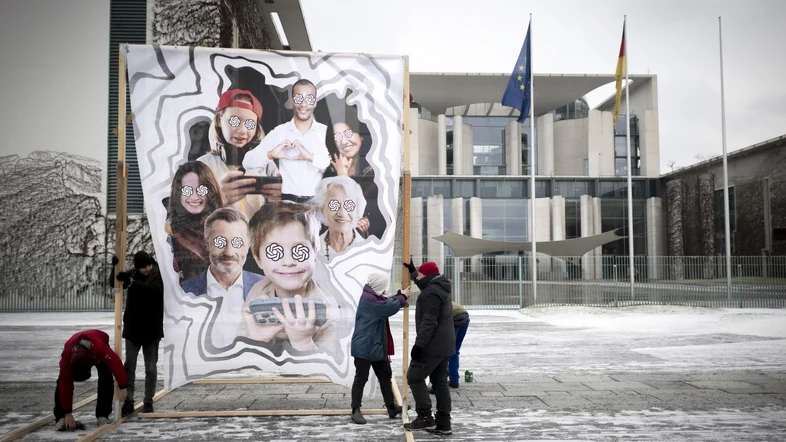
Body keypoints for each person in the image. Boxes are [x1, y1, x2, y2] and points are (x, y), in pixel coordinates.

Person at [238, 202, 339, 354]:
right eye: (275, 252)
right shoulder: (259, 292)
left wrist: (303, 342)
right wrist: (257, 341)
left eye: (300, 250)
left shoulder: (326, 311)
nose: (288, 262)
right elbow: (238, 361)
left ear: (315, 254)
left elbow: (331, 371)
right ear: (258, 259)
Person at [181, 208, 264, 348]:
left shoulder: (267, 289)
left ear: (248, 245)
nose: (229, 252)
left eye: (237, 242)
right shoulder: (184, 292)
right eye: (220, 242)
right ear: (207, 243)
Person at [242, 79, 330, 203]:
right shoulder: (280, 132)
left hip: (317, 206)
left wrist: (311, 157)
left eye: (309, 99)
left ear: (315, 102)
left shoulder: (325, 132)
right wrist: (270, 155)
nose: (304, 104)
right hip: (287, 207)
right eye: (299, 98)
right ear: (292, 100)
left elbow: (336, 167)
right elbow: (247, 162)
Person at [199, 89, 280, 218]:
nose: (242, 130)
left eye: (249, 124)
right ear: (219, 120)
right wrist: (216, 201)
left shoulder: (267, 165)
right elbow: (180, 219)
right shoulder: (201, 167)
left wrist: (282, 200)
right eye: (234, 121)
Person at [402, 261, 455, 435]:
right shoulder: (441, 287)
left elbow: (429, 322)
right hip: (444, 345)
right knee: (439, 383)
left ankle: (425, 417)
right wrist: (413, 271)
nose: (418, 278)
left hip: (432, 345)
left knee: (414, 377)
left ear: (428, 277)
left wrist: (419, 345)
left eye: (420, 275)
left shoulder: (431, 293)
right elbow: (425, 283)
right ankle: (444, 423)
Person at [349, 272, 409, 424]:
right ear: (378, 285)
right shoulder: (370, 300)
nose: (385, 288)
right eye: (384, 285)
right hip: (364, 346)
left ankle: (391, 407)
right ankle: (355, 409)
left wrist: (398, 295)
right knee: (361, 378)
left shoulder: (372, 296)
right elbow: (388, 307)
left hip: (376, 345)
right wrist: (402, 297)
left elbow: (385, 302)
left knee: (385, 376)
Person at [113, 251, 164, 416]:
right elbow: (114, 283)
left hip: (151, 330)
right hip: (133, 329)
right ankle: (129, 400)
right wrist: (113, 268)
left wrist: (132, 283)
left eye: (148, 265)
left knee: (151, 368)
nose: (147, 269)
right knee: (130, 366)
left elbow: (154, 291)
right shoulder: (132, 275)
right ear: (137, 268)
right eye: (144, 268)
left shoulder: (157, 275)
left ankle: (148, 401)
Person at [323, 118, 386, 239]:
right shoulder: (329, 173)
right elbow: (328, 212)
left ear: (361, 136)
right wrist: (342, 177)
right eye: (337, 137)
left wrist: (365, 220)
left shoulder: (375, 170)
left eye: (348, 133)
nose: (344, 141)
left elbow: (381, 211)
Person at [54, 330, 128, 431]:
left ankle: (103, 415)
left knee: (106, 377)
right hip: (76, 343)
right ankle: (61, 417)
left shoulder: (100, 348)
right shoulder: (66, 359)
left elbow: (116, 364)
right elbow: (65, 386)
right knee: (61, 381)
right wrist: (67, 413)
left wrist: (122, 386)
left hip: (98, 339)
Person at [166, 161, 224, 283]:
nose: (194, 197)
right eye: (187, 190)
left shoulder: (225, 226)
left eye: (201, 190)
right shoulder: (168, 229)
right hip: (180, 298)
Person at [311, 176, 370, 262]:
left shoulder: (368, 252)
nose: (342, 213)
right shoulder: (312, 251)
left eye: (349, 205)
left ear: (358, 209)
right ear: (322, 209)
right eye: (334, 205)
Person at [449, 302, 470, 388]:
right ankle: (454, 380)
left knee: (448, 349)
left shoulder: (433, 303)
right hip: (465, 316)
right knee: (454, 350)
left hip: (455, 318)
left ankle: (442, 381)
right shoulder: (443, 297)